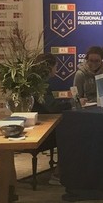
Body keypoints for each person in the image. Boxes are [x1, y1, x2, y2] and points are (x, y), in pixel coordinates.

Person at [32, 53, 72, 185]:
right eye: (56, 66)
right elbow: (52, 107)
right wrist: (71, 104)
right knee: (69, 134)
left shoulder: (34, 81)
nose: (57, 69)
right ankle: (58, 174)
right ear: (49, 67)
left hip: (38, 125)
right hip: (41, 129)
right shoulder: (41, 84)